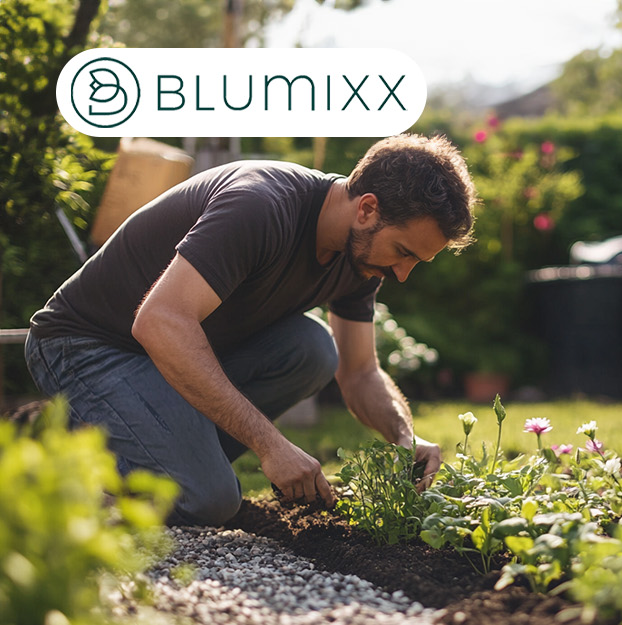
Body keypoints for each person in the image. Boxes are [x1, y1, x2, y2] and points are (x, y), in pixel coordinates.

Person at [25, 133, 476, 525]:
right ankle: (61, 447)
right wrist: (270, 445)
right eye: (403, 252)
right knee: (210, 500)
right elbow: (161, 321)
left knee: (312, 348)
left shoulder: (361, 261)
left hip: (163, 359)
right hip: (85, 345)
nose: (401, 274)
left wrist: (403, 437)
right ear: (367, 209)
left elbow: (359, 373)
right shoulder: (260, 205)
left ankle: (157, 450)